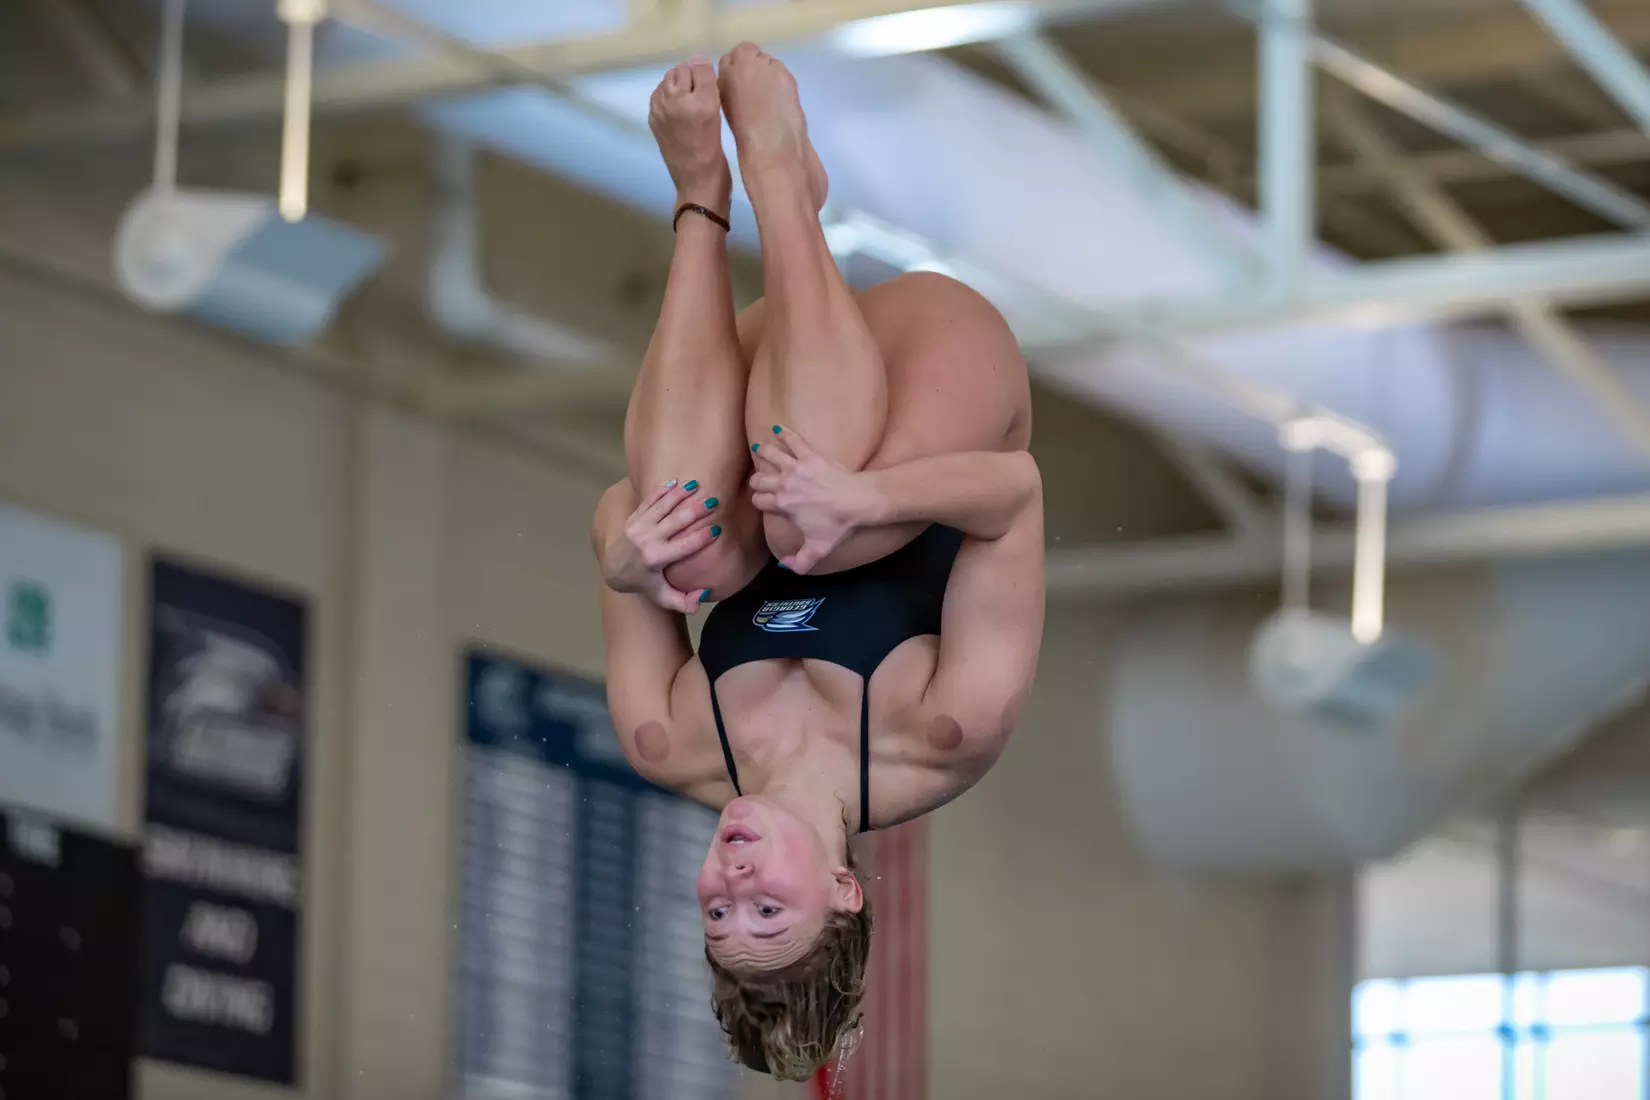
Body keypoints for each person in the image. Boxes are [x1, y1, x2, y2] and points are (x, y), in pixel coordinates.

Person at [590, 43, 1044, 1080]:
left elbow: (617, 511)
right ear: (846, 889)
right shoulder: (942, 729)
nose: (733, 871)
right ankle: (784, 188)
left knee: (688, 540)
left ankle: (703, 202)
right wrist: (872, 498)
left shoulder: (669, 736)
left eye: (717, 903)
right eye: (766, 902)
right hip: (940, 360)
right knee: (814, 523)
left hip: (778, 364)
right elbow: (1016, 494)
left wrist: (624, 561)